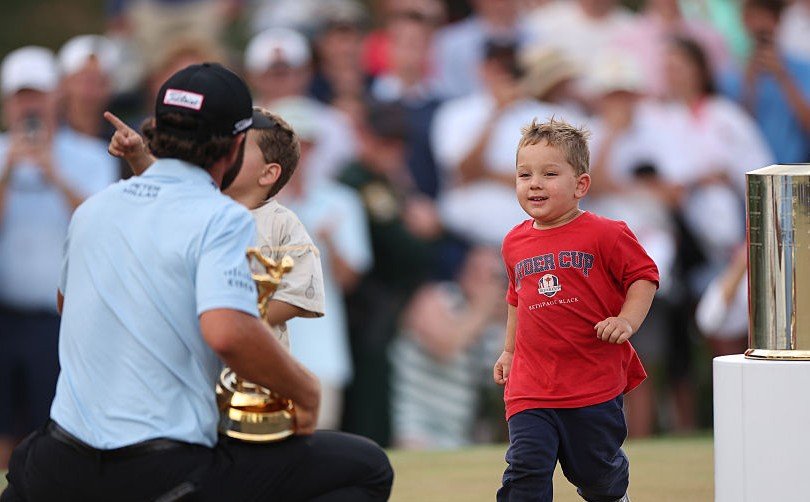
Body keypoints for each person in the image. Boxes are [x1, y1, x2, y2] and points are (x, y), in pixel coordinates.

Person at [1, 63, 392, 501]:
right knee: (367, 468)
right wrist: (304, 389)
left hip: (57, 466)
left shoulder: (95, 207)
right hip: (161, 470)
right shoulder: (221, 217)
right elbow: (227, 331)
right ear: (237, 145)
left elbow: (66, 303)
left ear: (157, 130)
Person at [493, 118, 659, 501]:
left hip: (591, 383)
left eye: (549, 173)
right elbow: (517, 299)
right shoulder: (514, 242)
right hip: (531, 385)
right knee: (525, 468)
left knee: (596, 474)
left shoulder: (606, 233)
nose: (534, 183)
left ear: (580, 185)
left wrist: (626, 320)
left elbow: (644, 277)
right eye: (524, 174)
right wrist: (509, 350)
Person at [106, 105, 326, 351]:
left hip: (253, 372)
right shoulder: (201, 203)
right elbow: (165, 189)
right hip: (195, 365)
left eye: (238, 146)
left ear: (268, 173)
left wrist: (237, 321)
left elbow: (298, 295)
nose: (224, 151)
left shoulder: (281, 222)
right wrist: (137, 155)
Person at [0, 46, 118, 469]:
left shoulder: (89, 156)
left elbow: (100, 228)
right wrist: (9, 174)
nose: (29, 106)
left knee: (50, 433)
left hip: (62, 320)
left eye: (37, 95)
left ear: (56, 97)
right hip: (4, 316)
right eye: (20, 96)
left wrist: (54, 174)